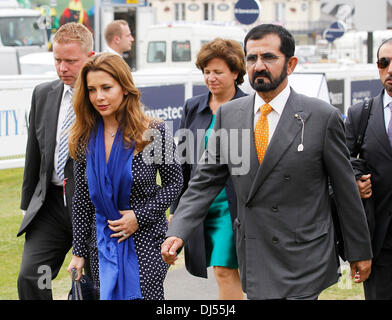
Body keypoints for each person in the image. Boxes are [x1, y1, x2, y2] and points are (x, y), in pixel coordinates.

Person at [162, 23, 373, 300]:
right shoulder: (229, 115)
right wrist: (178, 230)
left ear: (291, 63)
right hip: (255, 251)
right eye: (252, 58)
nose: (258, 66)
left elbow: (345, 190)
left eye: (269, 57)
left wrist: (359, 250)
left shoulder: (321, 117)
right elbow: (205, 181)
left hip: (304, 255)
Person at [66, 53, 183, 300]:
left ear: (125, 88)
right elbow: (82, 200)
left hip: (147, 241)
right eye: (92, 89)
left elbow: (174, 183)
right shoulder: (82, 138)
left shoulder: (154, 132)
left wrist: (138, 216)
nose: (99, 97)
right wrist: (78, 252)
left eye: (107, 87)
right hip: (101, 244)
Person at [17, 22, 94, 300]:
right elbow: (33, 155)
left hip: (92, 208)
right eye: (58, 60)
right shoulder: (43, 94)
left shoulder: (103, 98)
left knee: (92, 285)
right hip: (49, 208)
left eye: (71, 61)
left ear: (90, 57)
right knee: (32, 276)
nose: (63, 68)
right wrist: (27, 205)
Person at [169, 38, 246, 300]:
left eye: (218, 72)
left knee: (225, 269)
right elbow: (183, 160)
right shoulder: (193, 106)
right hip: (200, 203)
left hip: (232, 205)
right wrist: (177, 209)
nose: (210, 78)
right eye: (206, 71)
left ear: (235, 73)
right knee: (217, 270)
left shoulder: (250, 107)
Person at [345, 38, 392, 300]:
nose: (390, 69)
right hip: (380, 243)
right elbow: (341, 166)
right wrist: (354, 182)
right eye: (384, 62)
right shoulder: (359, 114)